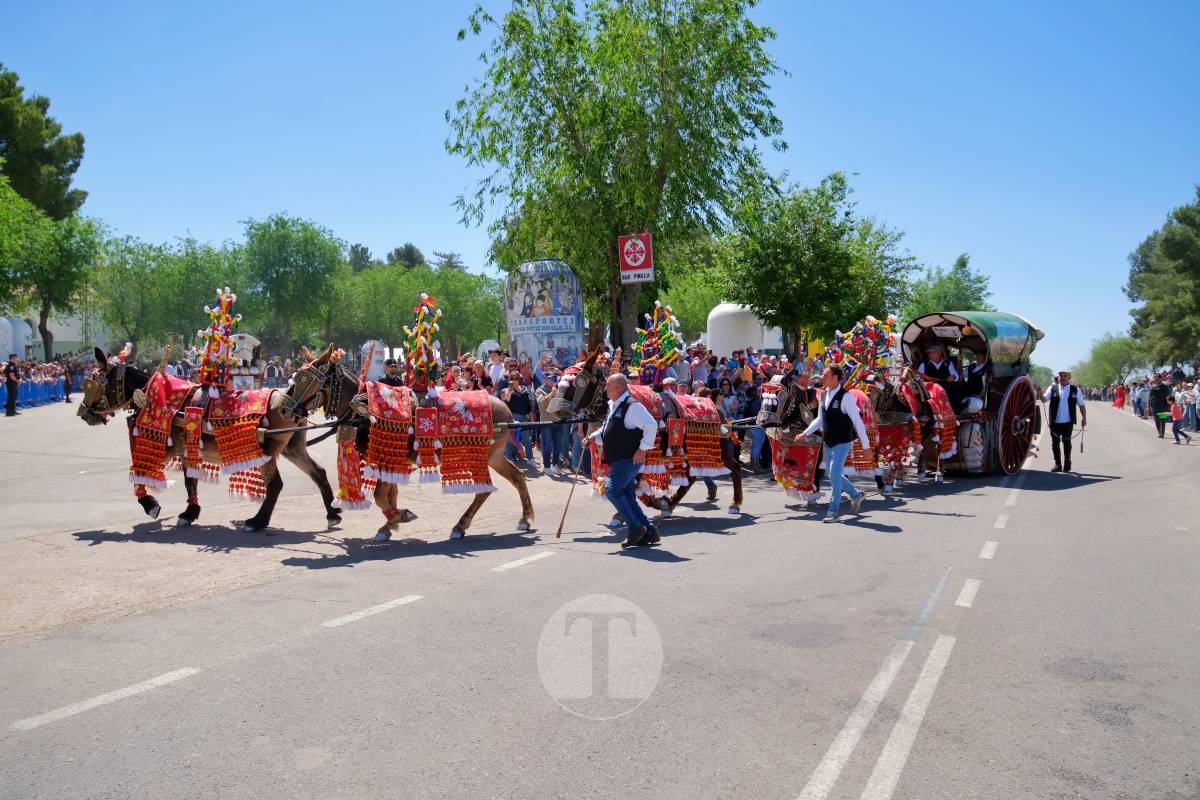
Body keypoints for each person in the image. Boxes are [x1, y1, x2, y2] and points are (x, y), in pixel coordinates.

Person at [593, 372, 660, 547]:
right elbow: (609, 429)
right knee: (628, 495)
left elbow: (651, 425)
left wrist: (642, 449)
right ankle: (650, 531)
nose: (605, 388)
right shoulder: (614, 404)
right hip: (619, 459)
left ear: (619, 387)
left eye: (608, 385)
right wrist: (593, 437)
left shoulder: (632, 406)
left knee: (612, 491)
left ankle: (635, 527)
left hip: (627, 459)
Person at [802, 365, 871, 523]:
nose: (822, 377)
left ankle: (833, 510)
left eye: (826, 375)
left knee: (833, 474)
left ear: (835, 378)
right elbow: (820, 419)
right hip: (828, 441)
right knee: (831, 474)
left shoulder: (846, 397)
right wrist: (805, 433)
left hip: (843, 441)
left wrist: (866, 447)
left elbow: (858, 422)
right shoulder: (824, 394)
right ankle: (856, 495)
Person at [1043, 370, 1086, 472]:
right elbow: (1044, 399)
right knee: (1055, 443)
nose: (1061, 377)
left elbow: (1081, 405)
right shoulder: (1052, 388)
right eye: (1060, 375)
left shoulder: (1075, 390)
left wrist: (1084, 418)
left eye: (1064, 376)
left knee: (1066, 442)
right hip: (1054, 421)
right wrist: (1039, 394)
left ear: (1069, 378)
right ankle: (1057, 464)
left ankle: (1067, 462)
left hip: (1068, 421)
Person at [498, 364, 535, 464]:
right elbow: (507, 399)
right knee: (510, 439)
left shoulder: (524, 389)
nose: (514, 380)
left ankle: (530, 458)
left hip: (523, 417)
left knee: (527, 438)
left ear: (519, 379)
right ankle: (510, 458)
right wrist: (510, 389)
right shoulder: (506, 390)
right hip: (511, 417)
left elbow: (527, 403)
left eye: (516, 378)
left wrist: (530, 415)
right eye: (512, 378)